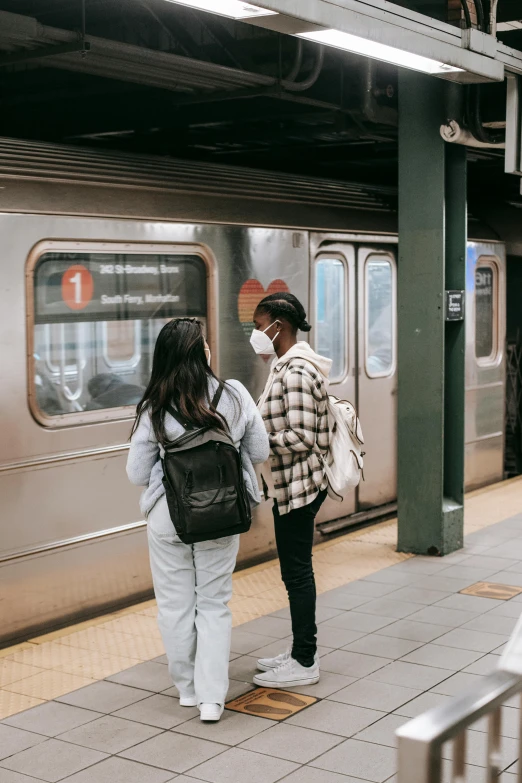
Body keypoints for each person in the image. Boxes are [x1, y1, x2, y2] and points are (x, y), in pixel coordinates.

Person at [127, 318, 269, 722]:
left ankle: (187, 689)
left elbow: (138, 474)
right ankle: (212, 698)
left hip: (169, 518)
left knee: (174, 604)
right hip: (222, 514)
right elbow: (258, 451)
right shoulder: (235, 394)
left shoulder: (154, 405)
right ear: (202, 353)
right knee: (213, 603)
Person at [250, 292, 331, 690]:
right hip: (291, 485)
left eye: (258, 325)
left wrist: (259, 438)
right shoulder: (288, 365)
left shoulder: (296, 371)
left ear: (277, 326)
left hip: (299, 487)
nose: (256, 333)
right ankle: (300, 649)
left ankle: (305, 660)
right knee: (294, 572)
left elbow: (302, 434)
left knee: (296, 574)